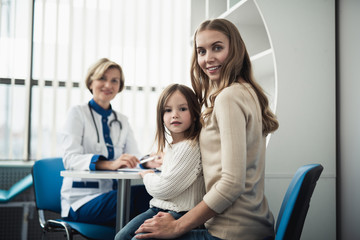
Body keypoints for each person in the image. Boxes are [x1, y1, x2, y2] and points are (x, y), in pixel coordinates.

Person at [134, 18, 279, 240]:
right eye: (201, 51)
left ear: (235, 50)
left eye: (217, 48)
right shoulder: (246, 92)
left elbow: (231, 184)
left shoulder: (228, 97)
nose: (208, 58)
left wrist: (178, 226)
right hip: (250, 224)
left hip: (231, 231)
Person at [60, 58, 157, 226]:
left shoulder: (122, 120)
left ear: (119, 87)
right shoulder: (77, 113)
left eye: (114, 81)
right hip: (81, 201)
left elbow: (133, 157)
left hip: (113, 195)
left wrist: (149, 162)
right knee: (141, 200)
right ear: (91, 82)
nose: (108, 85)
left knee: (153, 194)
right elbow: (70, 158)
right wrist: (110, 164)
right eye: (102, 78)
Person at [114, 83, 205, 240]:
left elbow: (164, 188)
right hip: (160, 208)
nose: (175, 115)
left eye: (182, 109)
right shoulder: (173, 147)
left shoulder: (190, 146)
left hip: (181, 213)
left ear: (195, 114)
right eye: (168, 110)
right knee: (121, 237)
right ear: (161, 116)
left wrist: (148, 176)